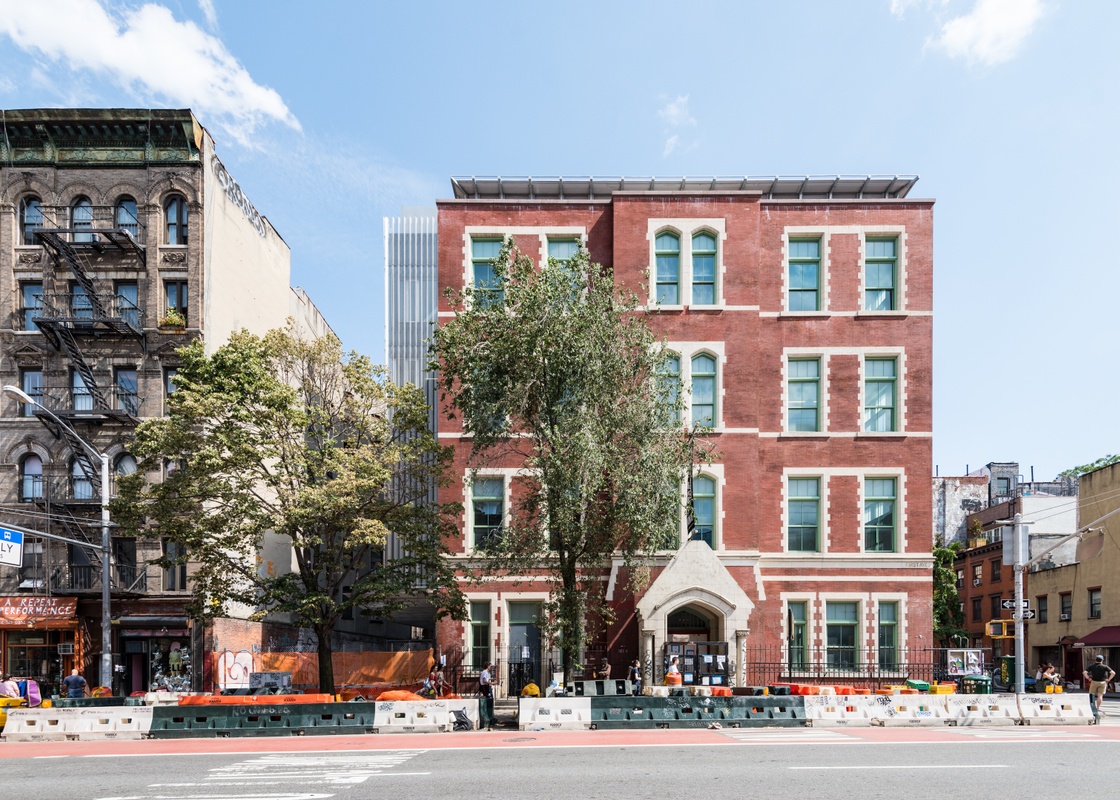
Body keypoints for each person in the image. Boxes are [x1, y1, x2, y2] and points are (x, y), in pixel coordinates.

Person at [1083, 654, 1115, 722]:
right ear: (1102, 660)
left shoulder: (1092, 666)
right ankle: (1097, 708)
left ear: (1096, 660)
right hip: (1102, 682)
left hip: (1094, 681)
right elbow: (1113, 673)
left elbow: (1084, 672)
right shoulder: (1105, 666)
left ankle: (1091, 707)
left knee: (1091, 695)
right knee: (1100, 695)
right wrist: (1108, 679)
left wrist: (1088, 678)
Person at [479, 661, 495, 730]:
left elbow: (487, 679)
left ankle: (490, 716)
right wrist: (490, 683)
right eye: (490, 666)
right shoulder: (485, 672)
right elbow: (484, 680)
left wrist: (492, 680)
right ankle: (488, 717)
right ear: (487, 666)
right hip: (485, 687)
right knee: (488, 699)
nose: (491, 667)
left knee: (490, 699)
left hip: (487, 686)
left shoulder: (486, 672)